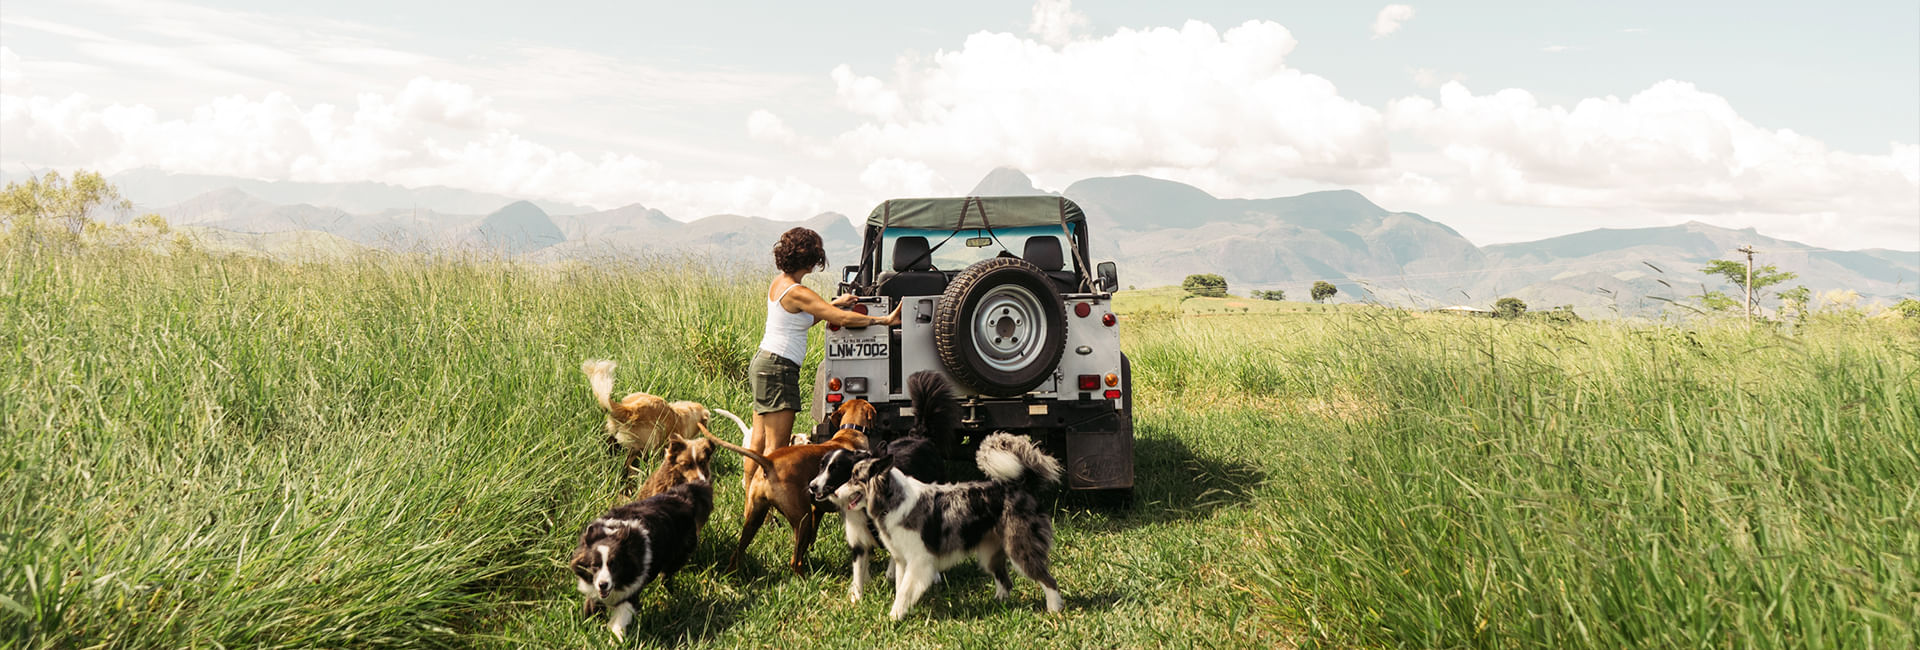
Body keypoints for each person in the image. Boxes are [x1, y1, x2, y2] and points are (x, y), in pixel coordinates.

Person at [746, 227, 900, 488]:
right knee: (777, 448)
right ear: (809, 258)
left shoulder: (780, 284)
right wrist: (883, 320)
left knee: (758, 441)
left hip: (765, 363)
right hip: (779, 368)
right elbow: (839, 319)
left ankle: (749, 493)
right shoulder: (797, 291)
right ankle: (766, 501)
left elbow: (805, 318)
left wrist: (835, 303)